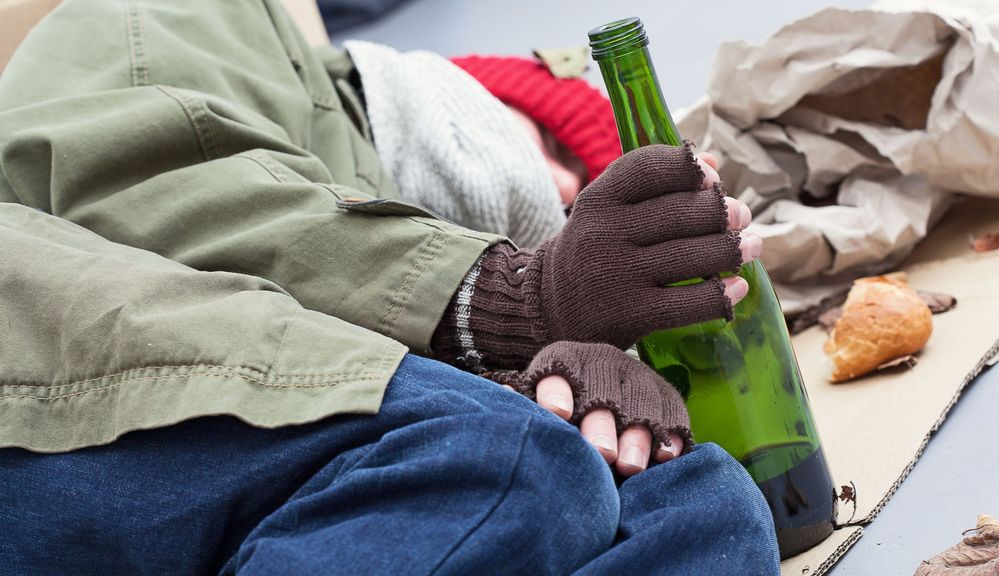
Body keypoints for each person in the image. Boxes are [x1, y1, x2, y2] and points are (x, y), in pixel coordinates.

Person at [0, 0, 777, 574]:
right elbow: (119, 177)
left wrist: (528, 374)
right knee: (504, 458)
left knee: (705, 500)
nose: (562, 196)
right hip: (38, 367)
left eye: (570, 203)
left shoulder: (358, 176)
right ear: (484, 98)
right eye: (557, 152)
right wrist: (504, 296)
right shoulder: (192, 14)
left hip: (201, 426)